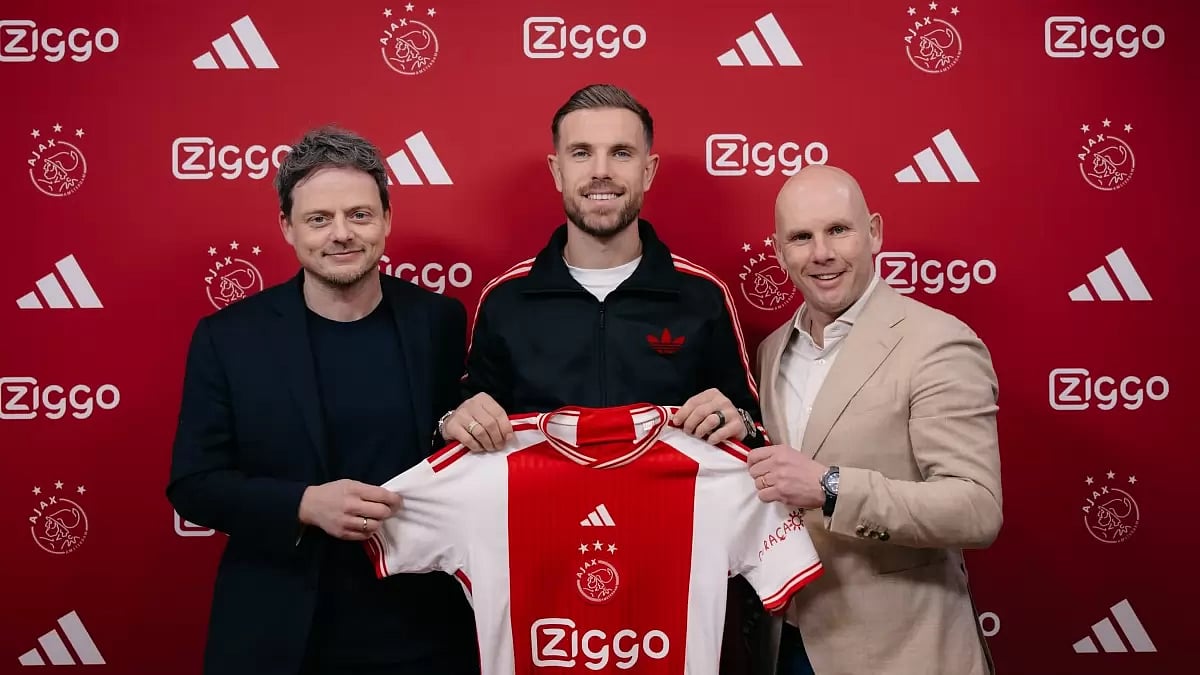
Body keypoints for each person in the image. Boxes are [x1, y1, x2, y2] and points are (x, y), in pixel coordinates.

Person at [438, 83, 769, 672]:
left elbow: (759, 433)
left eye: (620, 153)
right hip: (544, 601)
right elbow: (457, 434)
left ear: (649, 170)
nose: (600, 172)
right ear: (556, 170)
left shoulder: (702, 297)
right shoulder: (506, 301)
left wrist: (739, 420)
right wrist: (453, 421)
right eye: (581, 153)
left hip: (672, 595)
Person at [166, 127, 479, 675]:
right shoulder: (229, 337)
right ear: (287, 227)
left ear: (387, 219)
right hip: (280, 630)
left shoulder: (439, 321)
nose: (341, 234)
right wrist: (304, 505)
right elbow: (194, 485)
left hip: (421, 626)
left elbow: (458, 446)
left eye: (359, 215)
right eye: (318, 219)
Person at [747, 164, 1003, 675]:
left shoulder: (938, 343)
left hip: (903, 653)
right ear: (777, 251)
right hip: (787, 643)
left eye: (838, 230)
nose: (822, 253)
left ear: (875, 233)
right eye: (801, 237)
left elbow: (977, 508)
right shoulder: (771, 352)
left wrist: (831, 488)